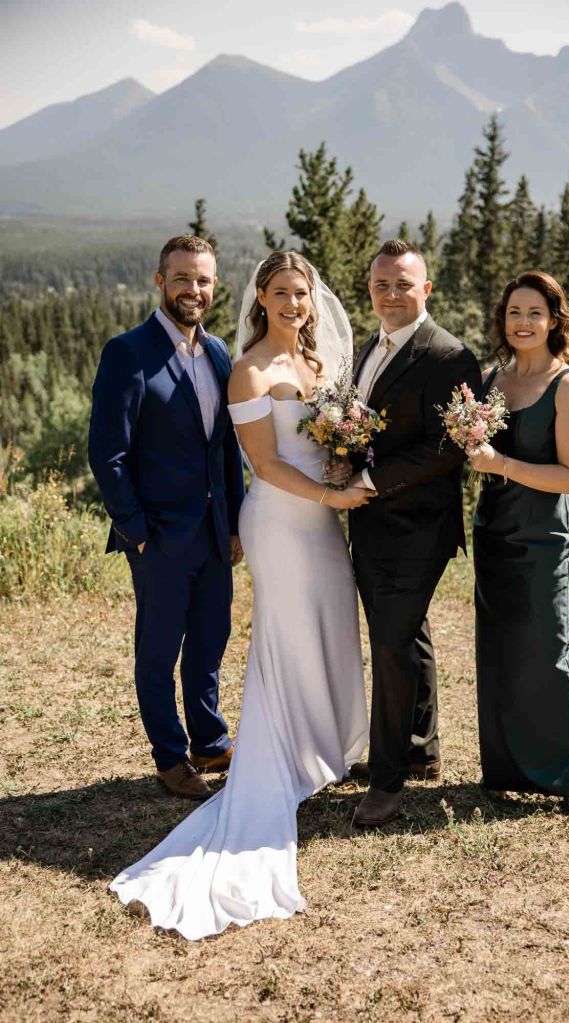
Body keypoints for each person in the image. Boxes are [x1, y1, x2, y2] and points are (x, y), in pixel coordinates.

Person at [109, 251, 371, 938]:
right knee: (192, 640)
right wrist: (136, 533)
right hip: (268, 521)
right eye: (280, 292)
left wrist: (346, 458)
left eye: (301, 292)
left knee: (298, 630)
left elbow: (238, 453)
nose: (291, 302)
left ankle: (303, 741)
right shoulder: (234, 365)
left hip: (286, 522)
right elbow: (258, 460)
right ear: (261, 296)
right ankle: (190, 756)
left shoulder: (257, 357)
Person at [468, 270, 569, 813]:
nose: (523, 322)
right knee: (501, 651)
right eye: (514, 312)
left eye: (534, 313)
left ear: (555, 320)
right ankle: (512, 767)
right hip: (494, 529)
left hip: (545, 535)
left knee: (547, 649)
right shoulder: (493, 380)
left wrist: (501, 464)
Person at [88, 235, 245, 800]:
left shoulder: (221, 352)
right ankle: (170, 757)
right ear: (160, 280)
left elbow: (224, 447)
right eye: (182, 278)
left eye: (202, 280)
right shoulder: (127, 352)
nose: (193, 290)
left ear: (214, 285)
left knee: (210, 638)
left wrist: (233, 522)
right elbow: (107, 453)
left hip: (212, 531)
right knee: (159, 649)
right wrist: (136, 533)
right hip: (157, 536)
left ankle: (209, 738)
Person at [348, 239, 482, 827]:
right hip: (372, 523)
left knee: (391, 645)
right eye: (382, 284)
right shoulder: (366, 348)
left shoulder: (449, 356)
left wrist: (370, 479)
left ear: (426, 289)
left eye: (404, 284)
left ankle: (386, 780)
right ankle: (420, 749)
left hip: (417, 527)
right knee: (405, 634)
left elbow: (448, 449)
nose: (392, 294)